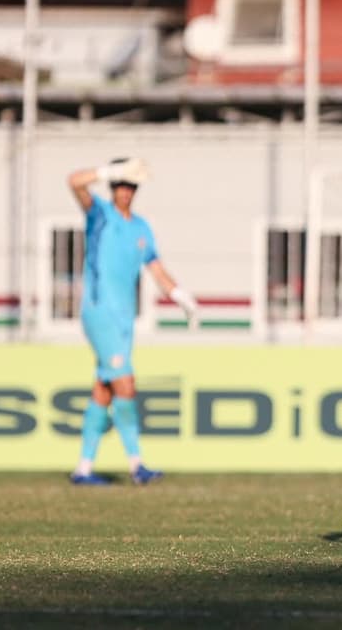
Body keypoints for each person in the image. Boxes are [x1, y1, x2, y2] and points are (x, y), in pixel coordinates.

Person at [67, 157, 198, 486]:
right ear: (113, 186)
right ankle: (136, 464)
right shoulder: (100, 214)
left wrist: (179, 293)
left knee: (104, 389)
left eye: (130, 185)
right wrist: (108, 171)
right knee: (126, 384)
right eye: (120, 184)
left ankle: (83, 468)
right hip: (99, 312)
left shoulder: (141, 227)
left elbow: (155, 267)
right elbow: (74, 181)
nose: (125, 190)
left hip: (125, 318)